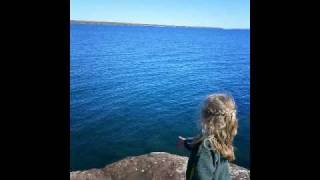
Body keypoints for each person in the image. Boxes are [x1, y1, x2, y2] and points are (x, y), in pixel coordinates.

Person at [177, 93, 238, 180]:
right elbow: (199, 141)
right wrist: (186, 142)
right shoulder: (222, 138)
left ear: (206, 118)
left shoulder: (205, 148)